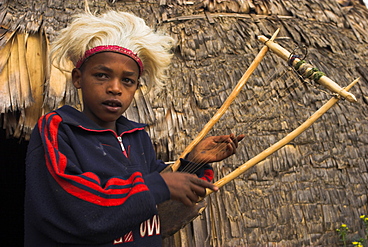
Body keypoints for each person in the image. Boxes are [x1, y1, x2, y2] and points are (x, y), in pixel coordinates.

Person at [24, 10, 244, 247]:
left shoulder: (136, 137)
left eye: (127, 80)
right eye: (101, 75)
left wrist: (193, 163)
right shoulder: (59, 129)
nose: (115, 88)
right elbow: (76, 209)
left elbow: (159, 197)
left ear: (136, 87)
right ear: (78, 78)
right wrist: (159, 186)